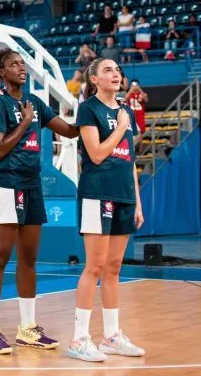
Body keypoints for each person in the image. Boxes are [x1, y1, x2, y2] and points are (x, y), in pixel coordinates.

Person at [0, 49, 80, 355]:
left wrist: (91, 110)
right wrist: (24, 123)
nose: (21, 68)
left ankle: (27, 328)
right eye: (13, 64)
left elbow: (70, 131)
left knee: (28, 259)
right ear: (1, 72)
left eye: (22, 64)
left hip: (32, 185)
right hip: (6, 184)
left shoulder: (34, 102)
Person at [68, 58, 145, 362]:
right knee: (95, 266)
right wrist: (121, 127)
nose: (115, 74)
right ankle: (79, 339)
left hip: (124, 195)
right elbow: (97, 154)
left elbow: (130, 160)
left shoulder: (126, 112)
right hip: (97, 194)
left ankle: (111, 336)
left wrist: (137, 201)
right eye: (108, 70)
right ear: (94, 79)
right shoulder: (88, 109)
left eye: (117, 70)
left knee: (114, 268)